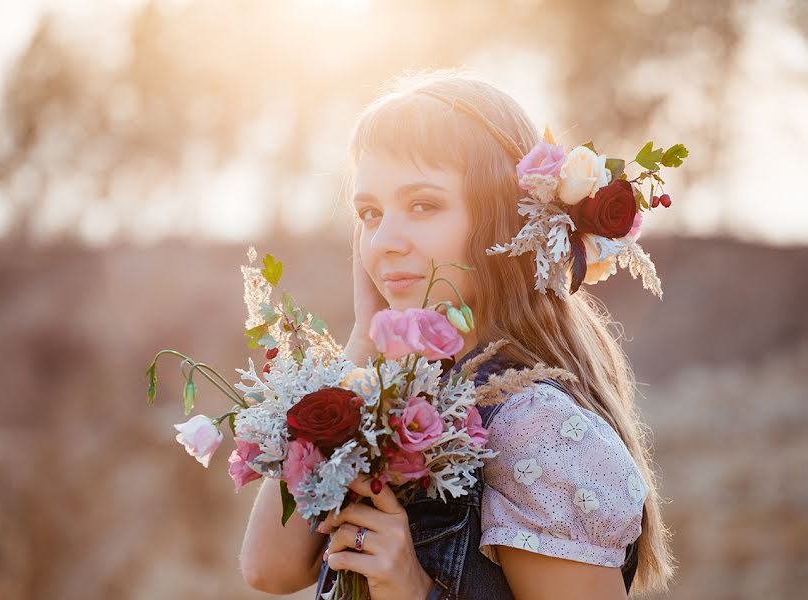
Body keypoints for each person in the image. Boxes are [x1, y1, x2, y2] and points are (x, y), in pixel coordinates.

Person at [239, 68, 676, 599]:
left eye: (423, 205)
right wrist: (363, 341)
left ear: (500, 221)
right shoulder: (398, 394)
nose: (385, 241)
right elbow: (270, 568)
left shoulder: (532, 425)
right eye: (370, 214)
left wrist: (415, 591)